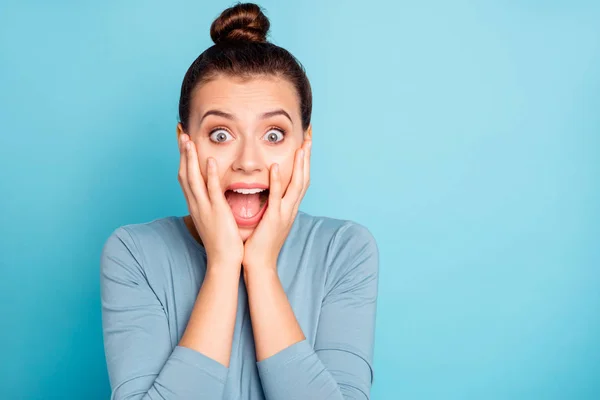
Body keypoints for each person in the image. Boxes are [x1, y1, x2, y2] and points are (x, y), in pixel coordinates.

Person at [100, 3, 379, 399]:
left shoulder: (344, 250)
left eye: (274, 135)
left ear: (305, 144)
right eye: (220, 134)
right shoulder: (134, 254)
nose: (248, 162)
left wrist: (261, 267)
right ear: (186, 146)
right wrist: (223, 265)